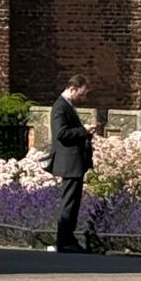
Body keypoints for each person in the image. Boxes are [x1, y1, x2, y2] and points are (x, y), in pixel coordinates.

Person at [46, 74, 98, 253]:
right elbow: (61, 134)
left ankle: (67, 238)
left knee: (73, 203)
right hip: (69, 163)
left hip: (74, 162)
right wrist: (83, 130)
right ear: (73, 89)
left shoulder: (67, 106)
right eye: (81, 94)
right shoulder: (60, 107)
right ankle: (65, 241)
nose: (83, 99)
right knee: (69, 203)